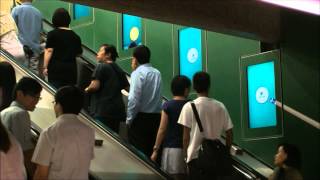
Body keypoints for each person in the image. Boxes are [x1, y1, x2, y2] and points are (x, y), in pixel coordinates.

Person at [178, 71, 233, 180]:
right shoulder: (220, 106)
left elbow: (185, 137)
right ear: (209, 86)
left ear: (194, 86)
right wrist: (226, 151)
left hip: (194, 158)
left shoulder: (188, 107)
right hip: (215, 159)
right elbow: (229, 133)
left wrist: (185, 156)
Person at [32, 86, 95, 179]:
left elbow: (41, 173)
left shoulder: (50, 133)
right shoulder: (89, 131)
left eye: (54, 103)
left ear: (59, 105)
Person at [1, 77, 42, 177]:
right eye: (34, 97)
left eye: (38, 98)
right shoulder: (20, 114)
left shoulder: (4, 112)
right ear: (20, 94)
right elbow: (26, 151)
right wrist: (34, 175)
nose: (36, 101)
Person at [151, 75, 191, 180]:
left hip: (170, 149)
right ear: (186, 90)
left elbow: (162, 129)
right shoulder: (191, 105)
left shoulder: (168, 106)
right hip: (188, 149)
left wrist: (156, 149)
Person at [126, 45, 162, 157]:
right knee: (149, 151)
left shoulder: (137, 73)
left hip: (140, 119)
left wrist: (129, 119)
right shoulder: (157, 73)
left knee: (138, 154)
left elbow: (133, 99)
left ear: (135, 59)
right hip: (156, 118)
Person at [85, 44, 129, 133]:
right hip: (117, 112)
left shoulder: (101, 66)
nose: (97, 53)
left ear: (108, 55)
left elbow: (94, 86)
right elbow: (128, 88)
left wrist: (86, 90)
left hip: (102, 110)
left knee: (101, 136)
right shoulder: (119, 70)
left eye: (100, 51)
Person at [42, 8, 83, 88]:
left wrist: (45, 67)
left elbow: (49, 51)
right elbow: (79, 54)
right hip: (71, 71)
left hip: (56, 70)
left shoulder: (52, 34)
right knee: (68, 95)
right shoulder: (76, 36)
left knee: (56, 93)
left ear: (55, 20)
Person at [11, 0, 43, 74]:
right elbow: (40, 33)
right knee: (34, 75)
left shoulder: (16, 10)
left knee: (21, 73)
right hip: (35, 49)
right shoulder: (38, 13)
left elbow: (12, 29)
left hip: (21, 48)